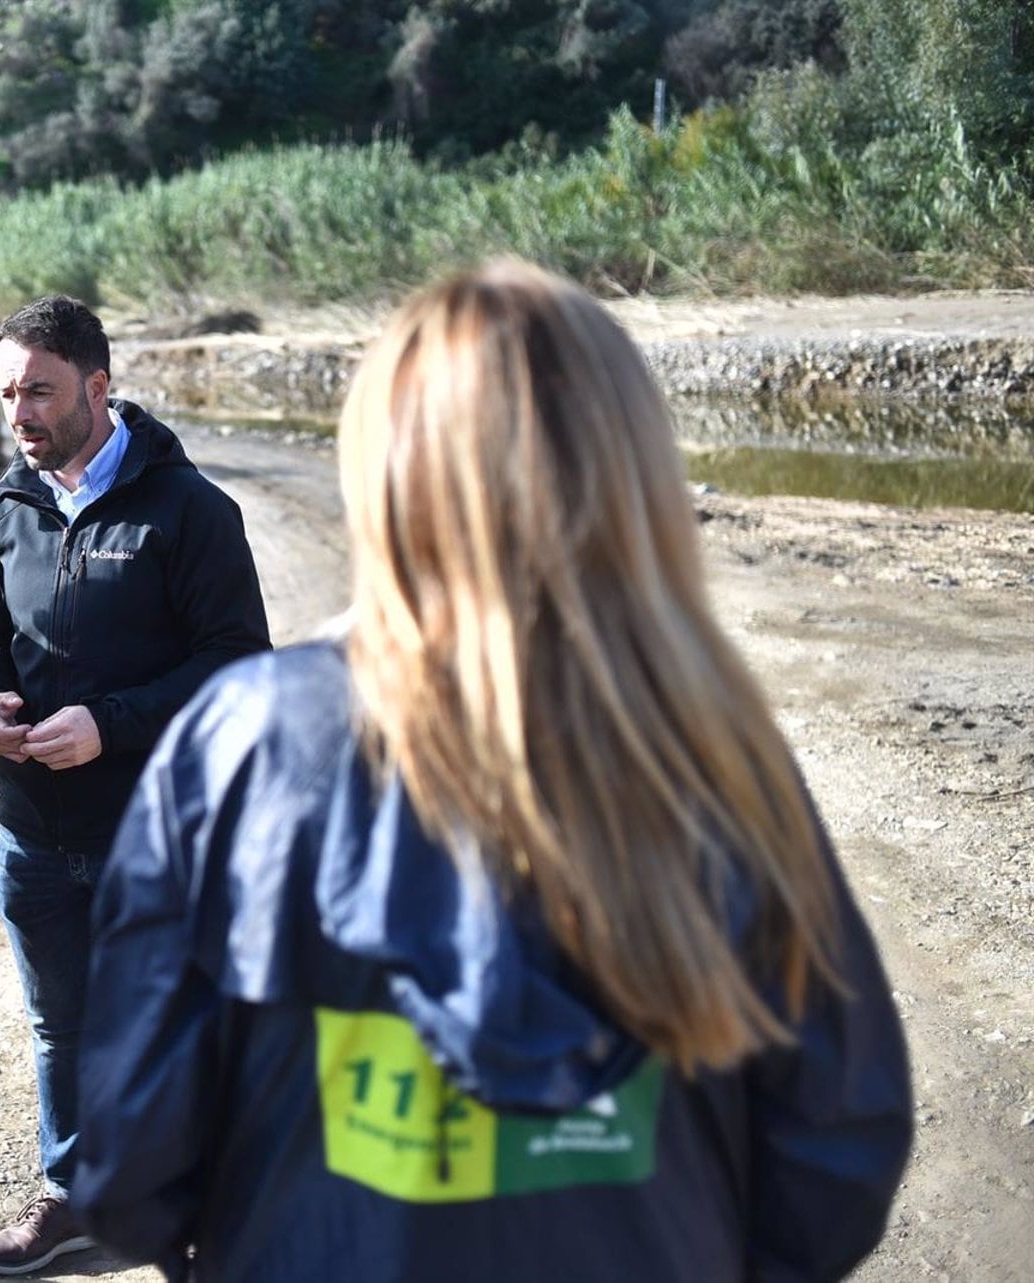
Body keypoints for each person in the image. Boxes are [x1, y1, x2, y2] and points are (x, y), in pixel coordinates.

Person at [71, 259, 915, 1281]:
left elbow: (128, 1162)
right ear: (631, 470)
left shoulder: (244, 743)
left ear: (384, 475)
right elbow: (839, 1150)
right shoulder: (718, 753)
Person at [0, 295, 271, 1276]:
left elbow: (238, 664)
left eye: (40, 391)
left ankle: (197, 1222)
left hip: (160, 833)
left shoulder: (191, 511)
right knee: (63, 1027)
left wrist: (111, 725)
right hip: (37, 834)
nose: (21, 413)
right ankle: (75, 1197)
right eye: (9, 392)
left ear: (99, 385)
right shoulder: (10, 505)